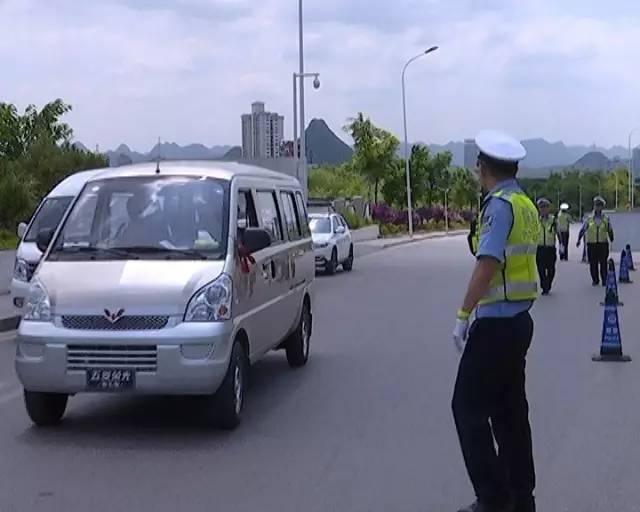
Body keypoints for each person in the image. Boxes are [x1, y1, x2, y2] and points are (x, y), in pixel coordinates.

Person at [453, 130, 539, 512]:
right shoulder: (524, 202)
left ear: (484, 168)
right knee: (509, 412)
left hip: (496, 327)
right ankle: (521, 496)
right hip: (519, 322)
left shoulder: (499, 205)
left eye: (477, 167)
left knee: (466, 407)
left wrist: (463, 313)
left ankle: (493, 497)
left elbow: (487, 263)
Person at [576, 196, 614, 286]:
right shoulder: (589, 219)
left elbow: (610, 229)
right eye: (596, 205)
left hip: (603, 244)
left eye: (600, 206)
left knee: (603, 263)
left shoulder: (606, 219)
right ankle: (595, 279)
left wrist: (611, 237)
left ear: (602, 207)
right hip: (591, 244)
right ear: (594, 206)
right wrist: (579, 240)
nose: (598, 207)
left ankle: (604, 279)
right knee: (593, 263)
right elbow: (583, 230)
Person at [535, 198, 557, 295]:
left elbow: (558, 232)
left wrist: (561, 246)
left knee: (551, 269)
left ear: (548, 208)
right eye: (541, 207)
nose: (543, 209)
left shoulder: (553, 220)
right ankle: (544, 287)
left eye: (545, 207)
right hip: (539, 248)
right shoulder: (535, 220)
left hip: (550, 248)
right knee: (541, 269)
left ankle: (548, 283)